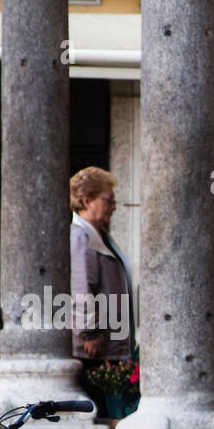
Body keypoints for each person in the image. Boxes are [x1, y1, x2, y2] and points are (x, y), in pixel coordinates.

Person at [70, 167, 134, 409]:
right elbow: (81, 285)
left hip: (105, 342)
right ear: (87, 201)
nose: (114, 206)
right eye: (108, 200)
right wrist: (90, 332)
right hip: (93, 347)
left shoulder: (98, 235)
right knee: (95, 408)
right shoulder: (81, 236)